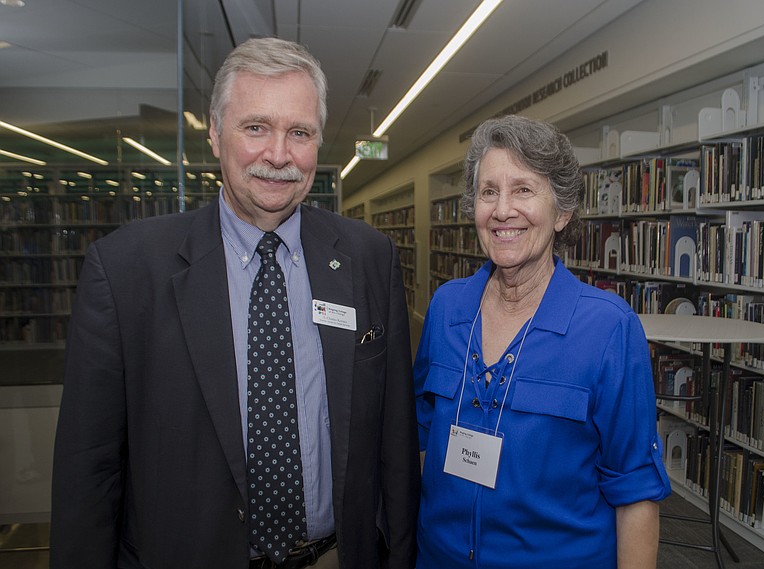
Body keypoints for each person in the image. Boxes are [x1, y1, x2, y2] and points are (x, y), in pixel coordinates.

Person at [50, 37, 420, 569]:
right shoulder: (127, 268)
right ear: (216, 133)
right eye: (256, 127)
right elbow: (89, 469)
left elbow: (395, 445)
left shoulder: (368, 256)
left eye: (299, 132)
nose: (278, 154)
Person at [414, 115, 671, 569]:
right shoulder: (446, 309)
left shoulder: (608, 329)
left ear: (563, 212)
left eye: (524, 190)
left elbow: (635, 493)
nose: (501, 210)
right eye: (488, 191)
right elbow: (420, 436)